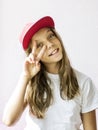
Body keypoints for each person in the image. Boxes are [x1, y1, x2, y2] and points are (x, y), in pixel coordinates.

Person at [2, 16, 98, 130]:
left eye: (51, 36)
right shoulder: (30, 82)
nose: (50, 44)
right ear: (32, 54)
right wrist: (25, 77)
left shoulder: (84, 82)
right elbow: (8, 120)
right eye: (40, 45)